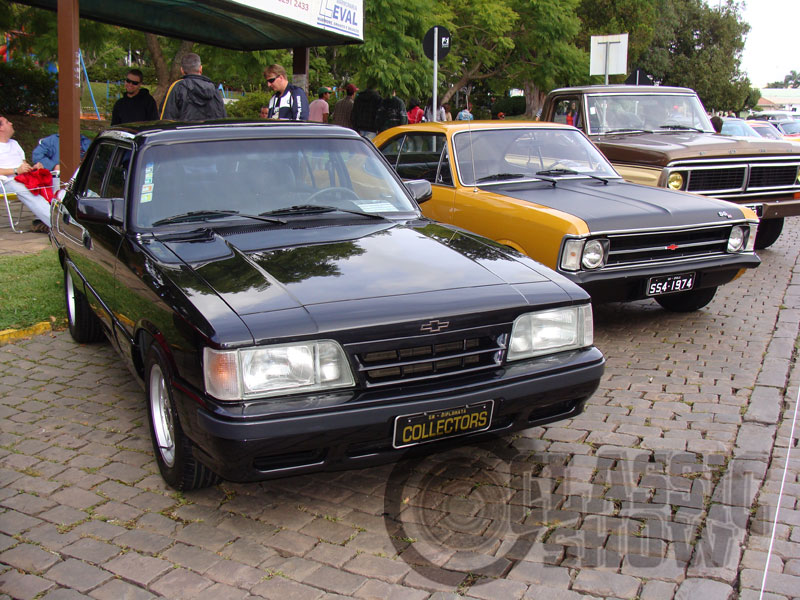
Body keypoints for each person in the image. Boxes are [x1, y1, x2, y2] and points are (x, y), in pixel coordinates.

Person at [0, 115, 51, 232]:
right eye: (7, 122)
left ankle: (44, 219)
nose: (11, 123)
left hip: (22, 178)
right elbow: (18, 169)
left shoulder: (14, 143)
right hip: (5, 182)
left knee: (53, 180)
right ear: (1, 128)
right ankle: (56, 224)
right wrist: (15, 171)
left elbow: (24, 165)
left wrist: (33, 168)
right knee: (24, 188)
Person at [160, 53, 227, 121]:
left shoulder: (177, 87)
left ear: (182, 70)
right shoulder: (214, 90)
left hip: (185, 127)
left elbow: (166, 119)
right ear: (200, 68)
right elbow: (223, 119)